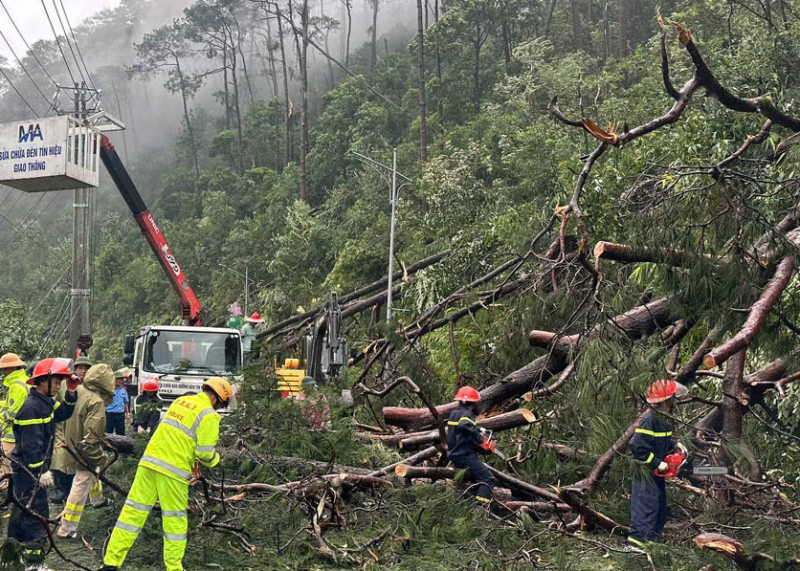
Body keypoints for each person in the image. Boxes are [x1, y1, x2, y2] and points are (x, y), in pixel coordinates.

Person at [101, 377, 233, 571]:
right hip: (174, 471)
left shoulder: (180, 402)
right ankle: (174, 567)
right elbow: (204, 453)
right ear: (220, 399)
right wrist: (216, 461)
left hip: (150, 462)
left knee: (132, 513)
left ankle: (111, 562)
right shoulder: (209, 415)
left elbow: (177, 435)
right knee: (175, 522)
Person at [8, 358, 76, 570]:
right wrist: (42, 472)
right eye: (56, 382)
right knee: (37, 517)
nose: (58, 386)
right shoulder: (32, 408)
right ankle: (34, 564)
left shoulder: (46, 403)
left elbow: (63, 413)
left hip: (26, 471)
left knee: (21, 513)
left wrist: (71, 393)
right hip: (29, 471)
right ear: (42, 381)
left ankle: (13, 555)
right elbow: (31, 446)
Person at [56, 364, 116, 539]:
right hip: (83, 450)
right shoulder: (96, 401)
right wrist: (101, 457)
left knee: (93, 472)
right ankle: (66, 527)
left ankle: (97, 500)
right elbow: (91, 439)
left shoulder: (78, 391)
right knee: (80, 484)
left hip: (71, 444)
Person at [627, 379, 688, 550]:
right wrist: (656, 463)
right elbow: (637, 447)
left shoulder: (664, 420)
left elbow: (662, 442)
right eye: (673, 398)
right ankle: (635, 546)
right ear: (666, 401)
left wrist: (674, 445)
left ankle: (652, 544)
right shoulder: (650, 420)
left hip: (655, 473)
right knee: (646, 508)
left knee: (659, 508)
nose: (676, 401)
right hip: (645, 473)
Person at [50, 355, 92, 505]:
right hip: (63, 424)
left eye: (86, 369)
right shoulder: (64, 384)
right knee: (59, 456)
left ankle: (79, 494)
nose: (83, 371)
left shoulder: (92, 387)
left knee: (79, 459)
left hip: (81, 427)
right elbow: (56, 402)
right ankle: (60, 490)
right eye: (80, 368)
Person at [446, 386, 495, 505]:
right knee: (487, 479)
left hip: (454, 453)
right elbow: (464, 425)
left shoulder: (454, 413)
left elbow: (465, 427)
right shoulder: (467, 415)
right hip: (465, 455)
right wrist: (480, 440)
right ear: (473, 402)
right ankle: (480, 509)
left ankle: (464, 503)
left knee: (474, 478)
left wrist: (478, 430)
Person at [0, 353, 29, 488]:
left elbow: (11, 413)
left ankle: (7, 491)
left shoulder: (17, 386)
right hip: (20, 434)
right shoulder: (23, 382)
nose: (3, 372)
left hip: (11, 435)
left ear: (12, 368)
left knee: (6, 465)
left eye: (5, 369)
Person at [106, 371, 130, 436]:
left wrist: (127, 414)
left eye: (121, 379)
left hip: (120, 414)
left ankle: (120, 446)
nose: (120, 381)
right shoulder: (108, 390)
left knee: (121, 433)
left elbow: (126, 402)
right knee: (108, 432)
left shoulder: (123, 390)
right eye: (118, 379)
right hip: (110, 414)